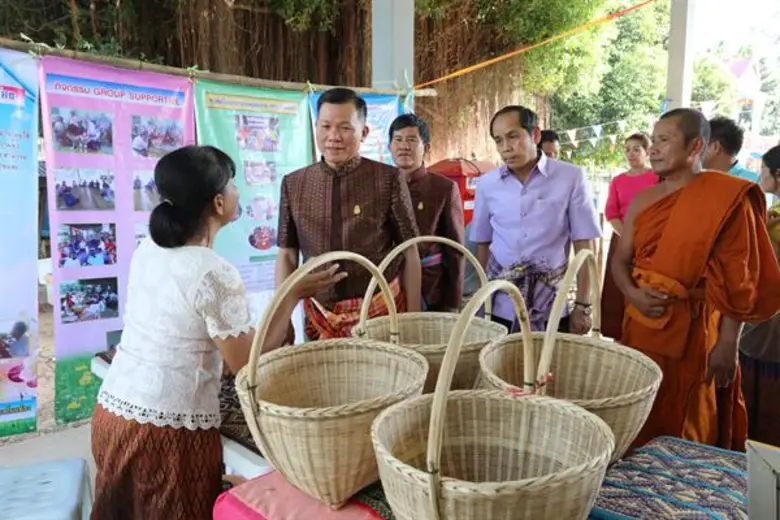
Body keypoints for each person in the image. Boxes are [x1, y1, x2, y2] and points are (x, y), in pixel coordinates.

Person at [91, 145, 345, 520]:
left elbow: (182, 327)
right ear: (218, 202)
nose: (237, 191)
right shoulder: (213, 271)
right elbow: (246, 364)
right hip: (165, 433)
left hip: (113, 411)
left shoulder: (149, 249)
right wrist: (292, 294)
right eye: (233, 184)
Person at [612, 109, 780, 451]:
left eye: (664, 140)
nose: (653, 148)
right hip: (644, 326)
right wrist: (633, 293)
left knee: (691, 421)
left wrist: (728, 342)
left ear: (696, 146)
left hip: (699, 332)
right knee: (639, 413)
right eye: (653, 140)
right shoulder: (644, 200)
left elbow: (738, 279)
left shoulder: (726, 199)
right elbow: (620, 261)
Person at [276, 88, 422, 340]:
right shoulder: (293, 183)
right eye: (325, 126)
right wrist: (282, 316)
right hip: (319, 316)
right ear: (316, 128)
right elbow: (287, 254)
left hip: (380, 312)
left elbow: (409, 250)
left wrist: (413, 319)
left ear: (363, 133)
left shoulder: (387, 179)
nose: (333, 136)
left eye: (345, 128)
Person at [471, 105, 601, 333]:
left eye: (513, 136)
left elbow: (584, 245)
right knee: (498, 356)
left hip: (551, 303)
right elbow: (483, 244)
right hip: (499, 303)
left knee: (550, 357)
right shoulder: (487, 184)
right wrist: (481, 300)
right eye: (499, 140)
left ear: (535, 135)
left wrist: (583, 305)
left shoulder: (570, 177)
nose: (506, 147)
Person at [388, 113, 465, 312]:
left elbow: (455, 250)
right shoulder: (380, 186)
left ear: (427, 148)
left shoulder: (443, 188)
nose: (404, 146)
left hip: (430, 289)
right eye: (398, 140)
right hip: (387, 289)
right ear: (390, 147)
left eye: (412, 140)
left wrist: (452, 303)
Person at [738, 144, 780, 447]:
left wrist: (762, 231)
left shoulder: (772, 217)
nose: (760, 175)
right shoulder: (772, 211)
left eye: (763, 170)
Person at [601, 133, 658, 341]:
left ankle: (645, 337)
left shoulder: (657, 178)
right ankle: (619, 337)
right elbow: (611, 213)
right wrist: (628, 237)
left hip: (652, 241)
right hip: (622, 238)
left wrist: (644, 238)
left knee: (647, 286)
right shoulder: (618, 181)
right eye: (627, 150)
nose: (631, 154)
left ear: (647, 151)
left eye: (636, 149)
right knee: (619, 290)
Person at [703, 116, 759, 182]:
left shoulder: (755, 183)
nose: (696, 150)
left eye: (701, 145)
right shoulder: (699, 179)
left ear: (715, 147)